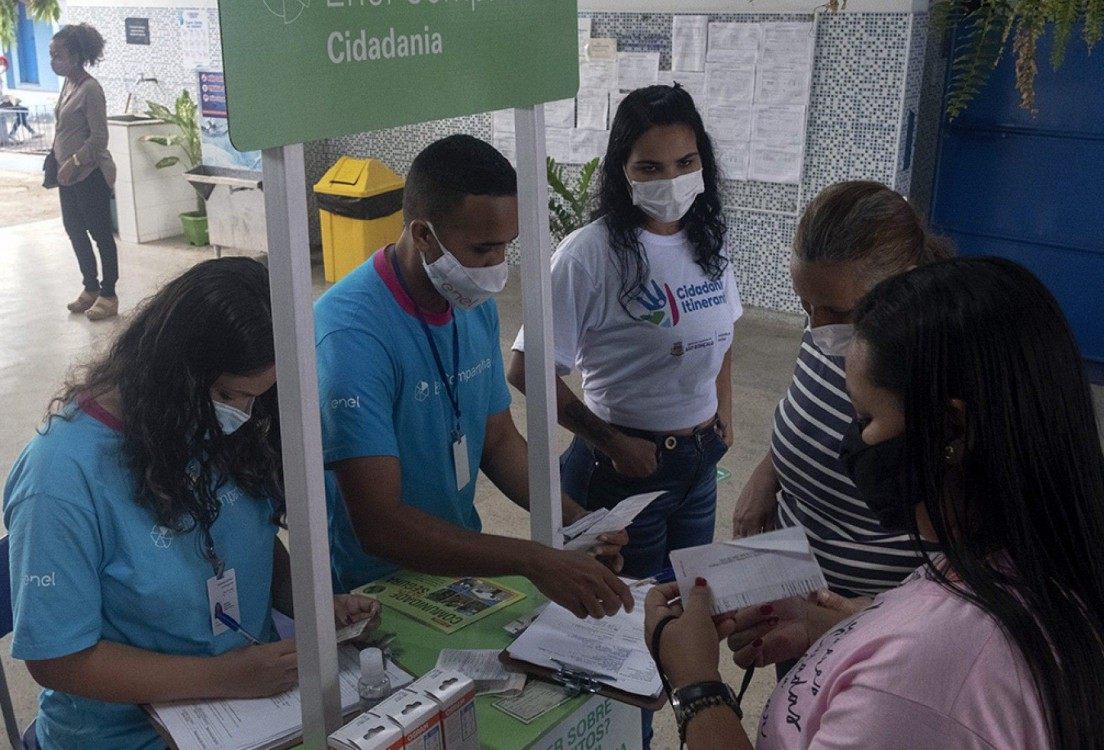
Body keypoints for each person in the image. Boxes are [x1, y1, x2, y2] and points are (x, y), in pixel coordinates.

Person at [645, 257, 1104, 748]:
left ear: (950, 428)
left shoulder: (939, 673)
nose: (849, 446)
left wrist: (696, 685)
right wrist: (848, 632)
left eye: (865, 420)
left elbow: (939, 684)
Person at [4, 258, 382, 750]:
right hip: (127, 734)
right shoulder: (61, 477)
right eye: (228, 394)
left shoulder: (205, 420)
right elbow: (58, 659)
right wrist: (220, 677)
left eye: (255, 398)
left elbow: (247, 537)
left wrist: (312, 605)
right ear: (171, 373)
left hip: (256, 704)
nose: (241, 415)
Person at [315, 134, 633, 620]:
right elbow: (380, 525)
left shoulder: (466, 302)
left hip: (459, 572)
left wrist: (575, 520)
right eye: (483, 249)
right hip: (374, 591)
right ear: (423, 235)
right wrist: (533, 559)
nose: (496, 268)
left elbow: (497, 440)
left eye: (506, 247)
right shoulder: (351, 335)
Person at [508, 84, 739, 582]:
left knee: (684, 610)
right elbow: (528, 369)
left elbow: (724, 332)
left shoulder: (707, 240)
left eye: (685, 162)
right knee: (619, 627)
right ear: (623, 170)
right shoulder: (588, 255)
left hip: (700, 467)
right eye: (650, 168)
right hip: (621, 473)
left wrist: (723, 408)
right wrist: (613, 444)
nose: (672, 180)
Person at [732, 182, 951, 668]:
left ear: (906, 282)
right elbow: (807, 408)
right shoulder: (831, 325)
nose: (816, 326)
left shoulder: (937, 369)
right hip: (800, 588)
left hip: (874, 620)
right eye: (807, 305)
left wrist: (870, 616)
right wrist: (768, 474)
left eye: (838, 312)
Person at [49, 24, 119, 320]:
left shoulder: (91, 88)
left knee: (100, 233)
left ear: (76, 55)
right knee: (75, 230)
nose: (53, 61)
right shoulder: (68, 85)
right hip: (66, 176)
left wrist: (75, 162)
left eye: (59, 55)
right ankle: (90, 288)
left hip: (90, 174)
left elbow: (99, 138)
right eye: (51, 55)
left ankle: (109, 293)